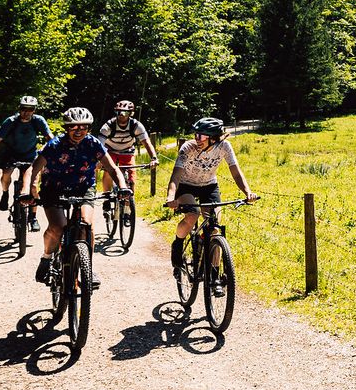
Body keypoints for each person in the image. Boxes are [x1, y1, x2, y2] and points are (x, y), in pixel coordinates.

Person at [25, 107, 126, 285]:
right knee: (58, 226)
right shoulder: (54, 145)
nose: (79, 131)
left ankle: (88, 267)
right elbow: (33, 168)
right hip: (54, 188)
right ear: (67, 128)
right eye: (74, 127)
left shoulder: (93, 144)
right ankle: (46, 258)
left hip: (83, 187)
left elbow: (112, 168)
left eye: (83, 127)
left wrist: (123, 188)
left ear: (89, 128)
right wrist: (26, 190)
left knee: (86, 224)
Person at [164, 117, 256, 289]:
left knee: (214, 228)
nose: (196, 139)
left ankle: (214, 276)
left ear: (213, 138)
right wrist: (171, 197)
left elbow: (236, 173)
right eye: (195, 134)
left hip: (209, 186)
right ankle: (178, 243)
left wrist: (248, 192)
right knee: (192, 215)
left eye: (200, 136)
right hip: (186, 186)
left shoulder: (224, 147)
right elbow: (175, 175)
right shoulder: (188, 148)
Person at [0, 96, 52, 230]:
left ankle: (33, 217)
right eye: (23, 109)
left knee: (33, 186)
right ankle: (5, 193)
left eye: (30, 109)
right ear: (19, 109)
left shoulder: (38, 121)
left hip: (31, 156)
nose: (26, 112)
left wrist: (55, 155)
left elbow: (50, 138)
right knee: (6, 175)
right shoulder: (11, 121)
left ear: (34, 110)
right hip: (11, 155)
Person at [96, 99, 156, 196]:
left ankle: (130, 200)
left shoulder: (136, 125)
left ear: (131, 114)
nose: (122, 115)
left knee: (131, 175)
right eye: (119, 112)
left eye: (126, 112)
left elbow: (147, 142)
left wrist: (154, 158)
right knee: (108, 171)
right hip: (110, 151)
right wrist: (98, 161)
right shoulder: (108, 126)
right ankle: (106, 197)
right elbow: (99, 145)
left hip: (127, 151)